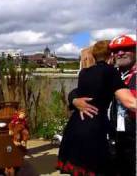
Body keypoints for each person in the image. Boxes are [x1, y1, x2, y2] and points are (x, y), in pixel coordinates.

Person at [56, 40, 137, 175]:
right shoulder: (111, 71)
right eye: (116, 51)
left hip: (75, 127)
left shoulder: (84, 72)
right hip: (95, 130)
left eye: (126, 49)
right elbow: (130, 102)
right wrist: (75, 100)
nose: (120, 54)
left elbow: (84, 90)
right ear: (111, 55)